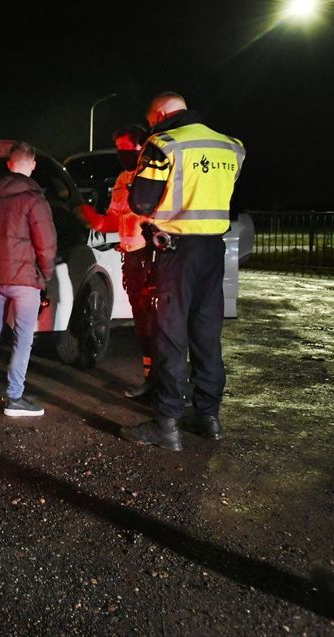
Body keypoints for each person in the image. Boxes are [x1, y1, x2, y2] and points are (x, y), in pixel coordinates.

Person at [122, 91, 246, 451]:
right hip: (212, 249)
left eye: (150, 121)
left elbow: (141, 202)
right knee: (207, 334)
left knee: (170, 335)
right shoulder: (231, 146)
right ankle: (208, 417)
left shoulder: (164, 143)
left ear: (159, 115)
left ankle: (167, 423)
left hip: (175, 251)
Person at [0, 141, 57, 416]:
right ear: (33, 164)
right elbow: (46, 242)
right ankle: (14, 397)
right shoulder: (33, 198)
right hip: (25, 279)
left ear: (9, 164)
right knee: (23, 336)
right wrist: (46, 274)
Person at [78, 124, 156, 398]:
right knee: (142, 323)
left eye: (127, 148)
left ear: (142, 148)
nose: (123, 154)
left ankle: (168, 382)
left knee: (160, 322)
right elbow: (111, 218)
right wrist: (89, 215)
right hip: (132, 259)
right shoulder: (123, 178)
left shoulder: (154, 175)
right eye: (120, 149)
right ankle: (151, 378)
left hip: (154, 258)